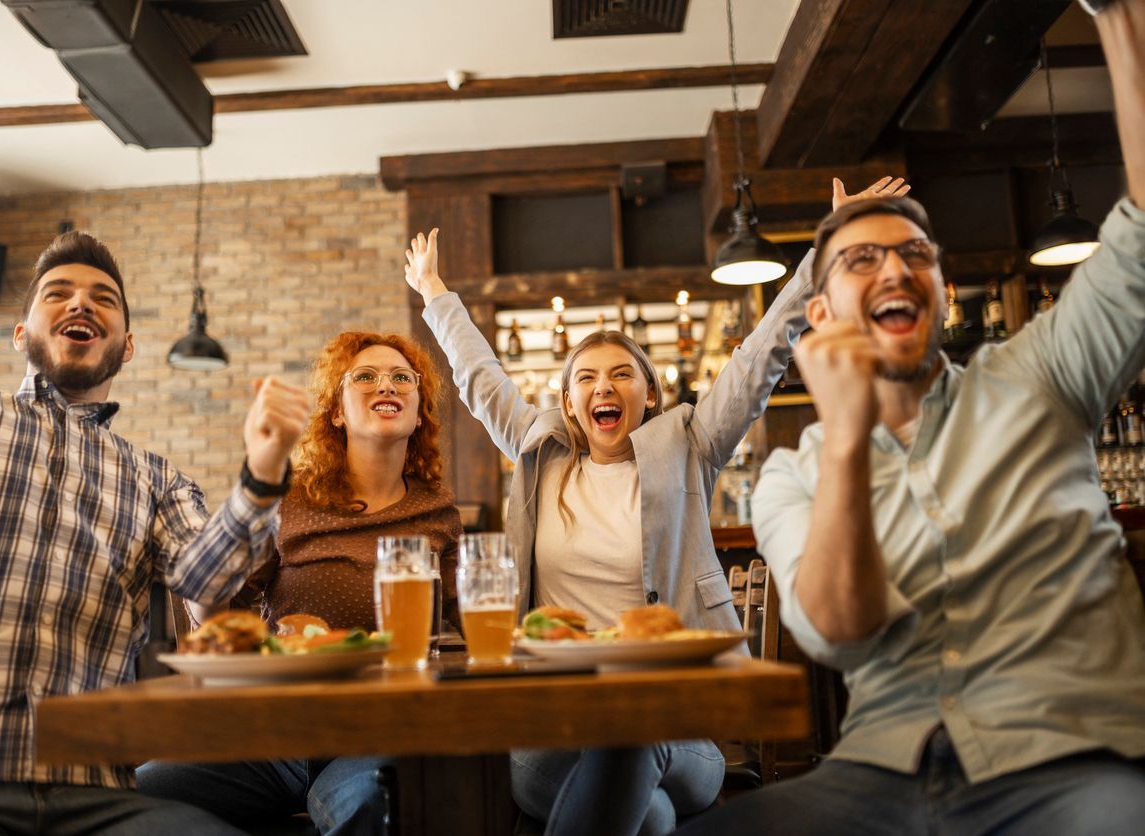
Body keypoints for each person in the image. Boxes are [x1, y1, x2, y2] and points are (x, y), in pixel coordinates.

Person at [679, 3, 1145, 834]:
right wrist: (851, 439)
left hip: (1075, 761)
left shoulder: (1041, 374)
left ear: (939, 291)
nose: (895, 266)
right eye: (863, 258)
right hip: (879, 776)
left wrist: (1120, 20)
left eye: (915, 256)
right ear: (819, 314)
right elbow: (839, 632)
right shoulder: (795, 474)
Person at [401, 178, 908, 836]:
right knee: (652, 816)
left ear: (650, 392)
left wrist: (828, 251)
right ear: (567, 403)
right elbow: (478, 374)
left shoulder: (689, 446)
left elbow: (762, 356)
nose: (601, 387)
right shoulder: (538, 455)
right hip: (551, 726)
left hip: (677, 723)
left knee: (634, 735)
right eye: (584, 377)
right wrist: (434, 292)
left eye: (619, 374)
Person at [0, 231, 311, 834]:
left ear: (127, 345)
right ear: (21, 334)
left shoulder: (156, 479)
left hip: (93, 794)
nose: (81, 304)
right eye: (57, 293)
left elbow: (205, 583)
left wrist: (263, 474)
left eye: (104, 299)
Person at [138, 331, 462, 834]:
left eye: (403, 377)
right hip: (275, 734)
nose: (388, 385)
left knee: (371, 804)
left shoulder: (437, 510)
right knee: (138, 791)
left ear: (419, 412)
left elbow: (458, 629)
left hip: (381, 731)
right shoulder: (290, 500)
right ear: (336, 411)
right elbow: (214, 616)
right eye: (366, 376)